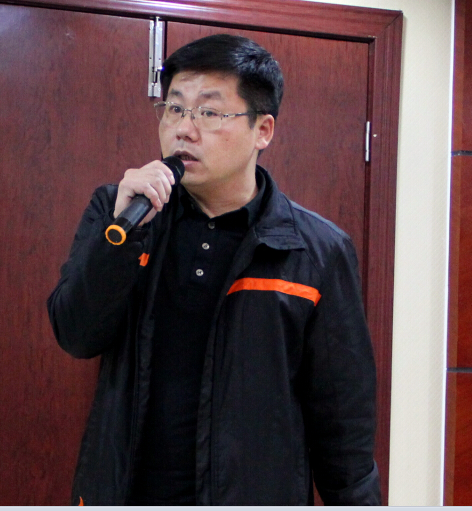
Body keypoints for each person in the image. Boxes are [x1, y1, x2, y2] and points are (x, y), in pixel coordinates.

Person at [47, 34, 380, 505]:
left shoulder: (317, 250)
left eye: (209, 112)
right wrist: (122, 236)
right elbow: (76, 334)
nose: (184, 129)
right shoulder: (119, 213)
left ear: (263, 130)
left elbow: (343, 424)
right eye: (174, 108)